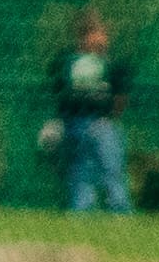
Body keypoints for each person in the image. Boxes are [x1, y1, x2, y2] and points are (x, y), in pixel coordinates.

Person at [49, 11, 132, 212]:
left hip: (102, 122)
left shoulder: (112, 64)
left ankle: (119, 209)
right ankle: (82, 211)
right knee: (80, 169)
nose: (104, 39)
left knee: (111, 167)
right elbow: (59, 91)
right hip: (74, 122)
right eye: (99, 33)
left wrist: (110, 118)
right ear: (85, 36)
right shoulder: (67, 61)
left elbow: (120, 96)